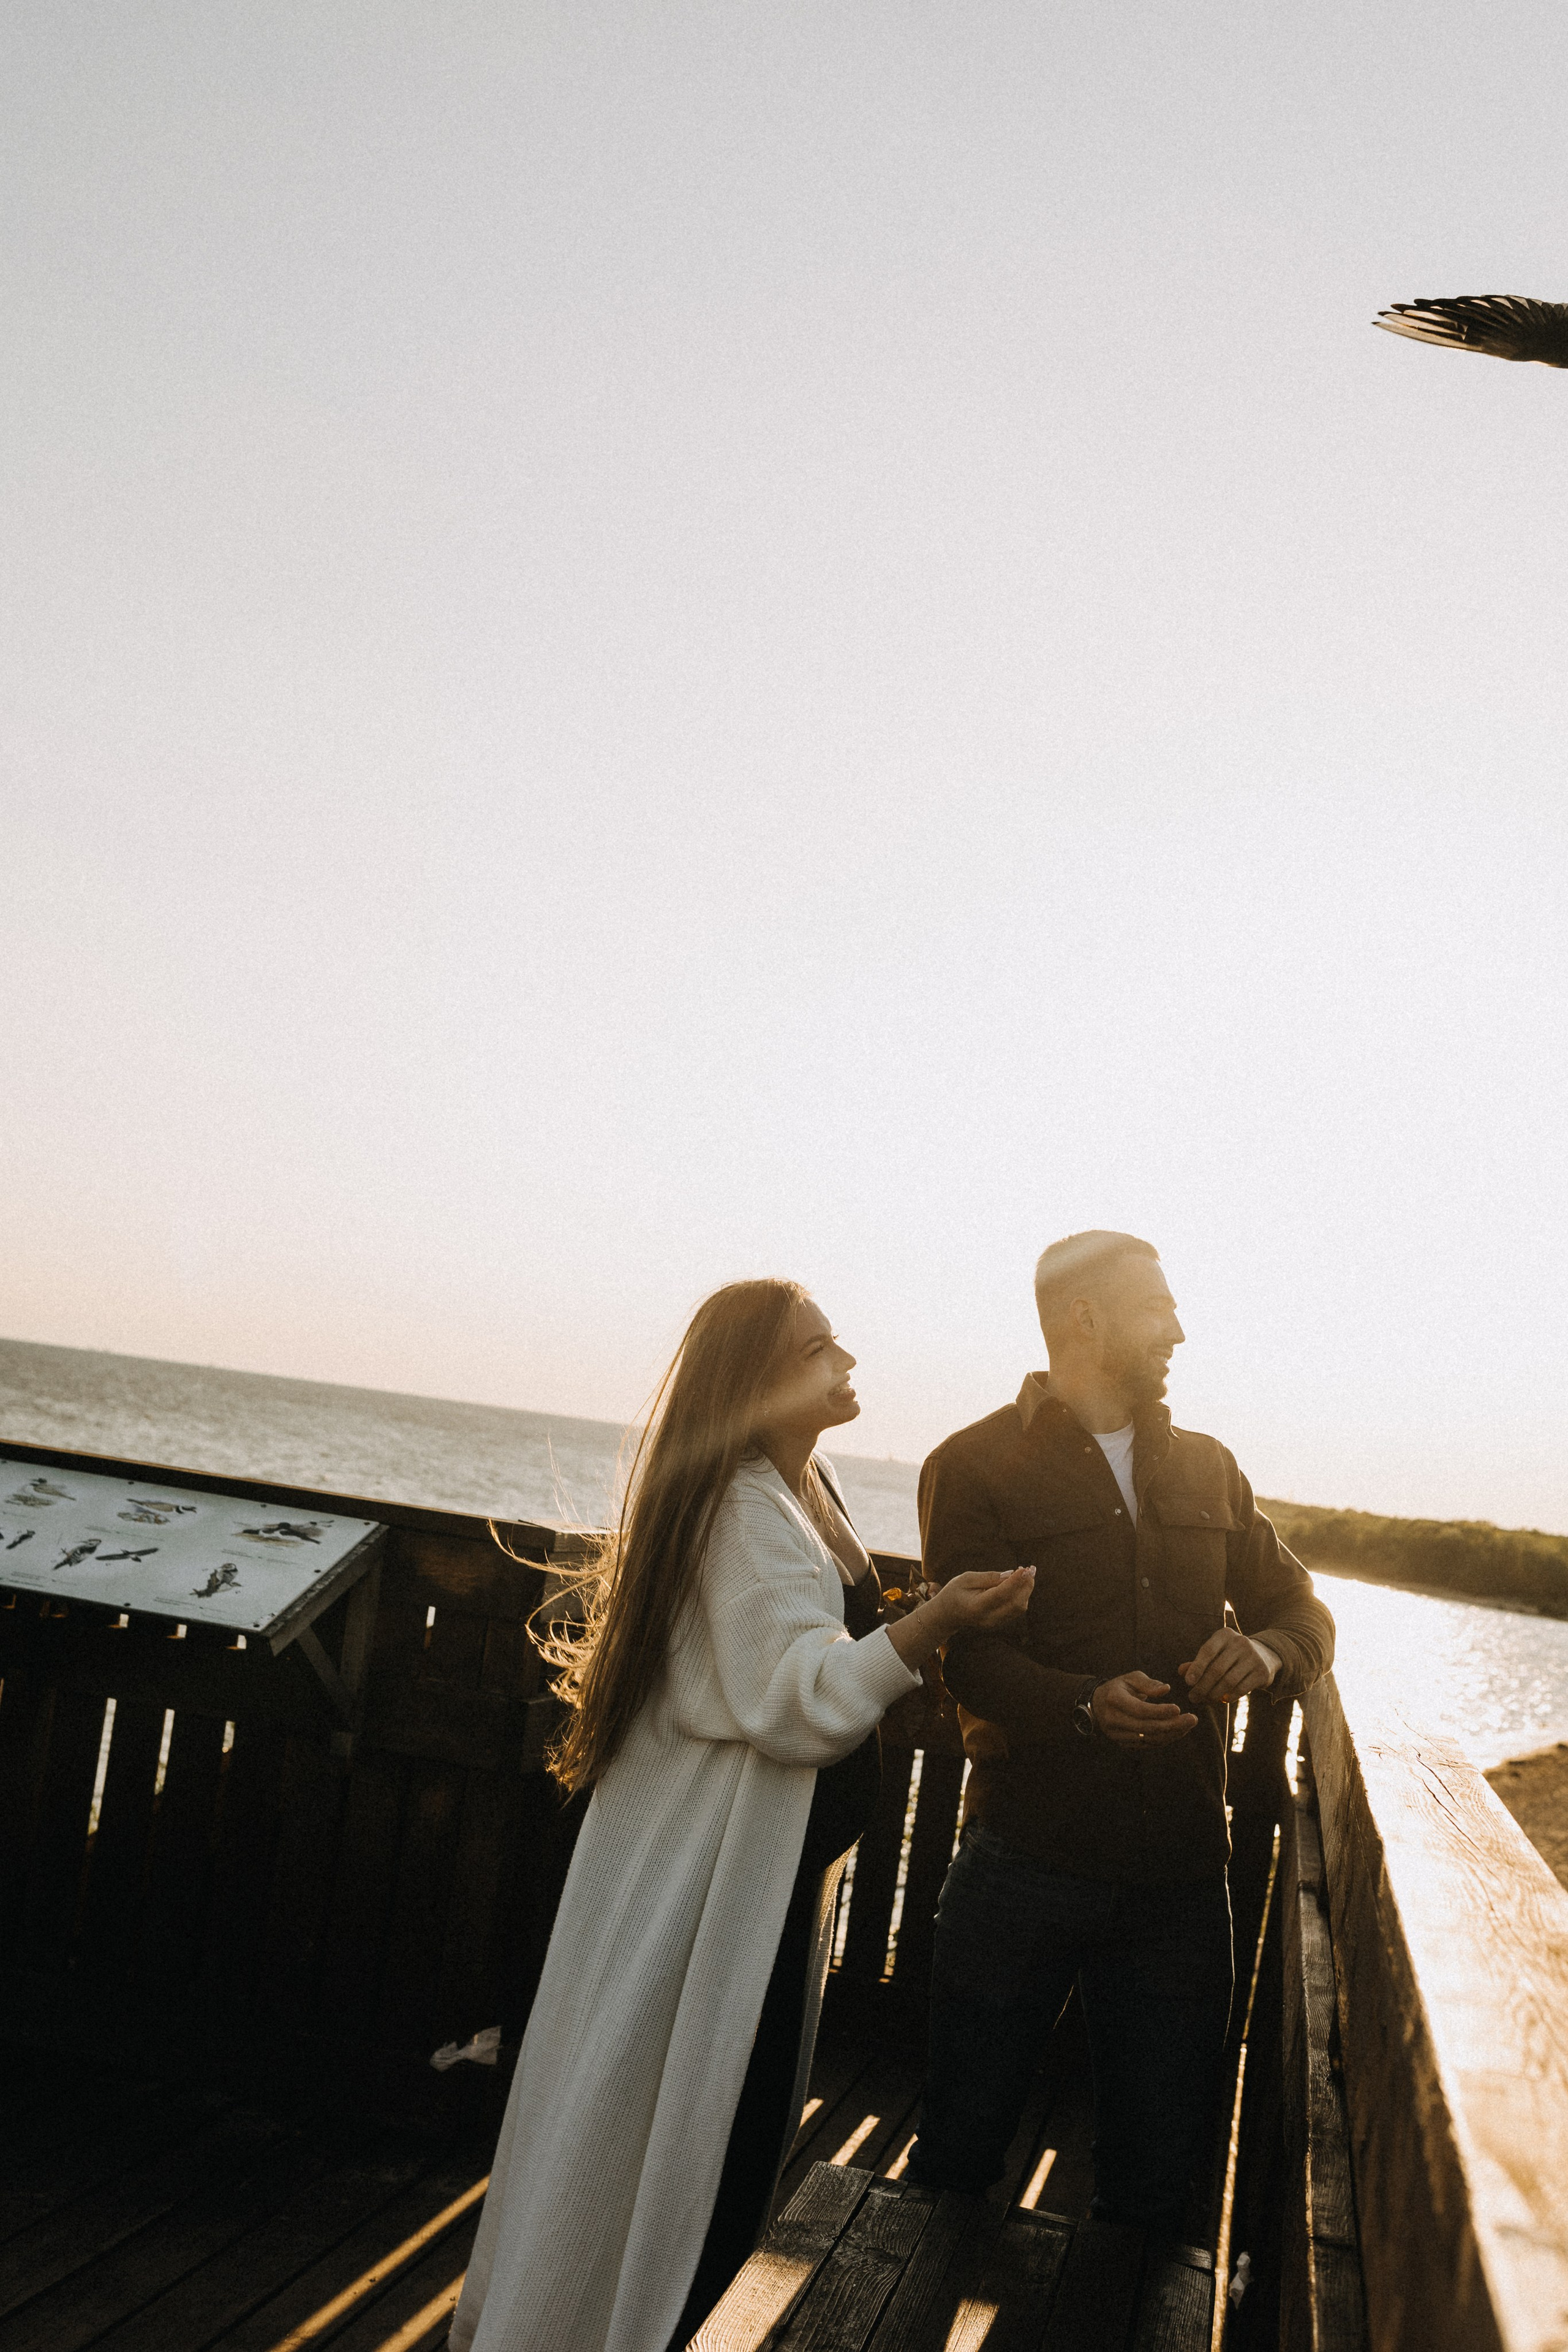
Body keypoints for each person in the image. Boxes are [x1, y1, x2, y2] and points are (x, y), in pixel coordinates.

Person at [450, 1278, 1033, 2352]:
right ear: (755, 1383)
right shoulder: (736, 1510)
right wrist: (936, 1623)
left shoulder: (803, 1489)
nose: (846, 1361)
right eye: (818, 1350)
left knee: (725, 2134)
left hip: (763, 1887)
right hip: (710, 1889)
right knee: (696, 2137)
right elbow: (794, 1700)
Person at [907, 1231, 1335, 2236]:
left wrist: (1266, 1651)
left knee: (1155, 2189)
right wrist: (1082, 1704)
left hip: (1179, 1881)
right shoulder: (971, 1466)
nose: (1179, 1330)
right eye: (1157, 1308)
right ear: (1086, 1319)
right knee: (955, 2155)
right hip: (1022, 1863)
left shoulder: (1212, 1467)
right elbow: (967, 1660)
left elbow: (1304, 1611)